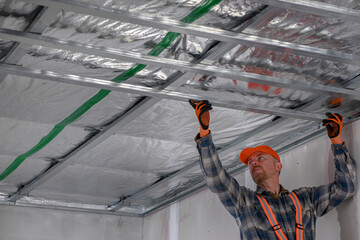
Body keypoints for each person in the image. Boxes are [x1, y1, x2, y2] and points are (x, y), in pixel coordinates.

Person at [189, 100, 356, 240]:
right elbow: (217, 181)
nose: (253, 163)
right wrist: (204, 133)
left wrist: (336, 140)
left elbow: (345, 187)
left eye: (260, 158)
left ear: (278, 165)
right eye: (250, 163)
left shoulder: (305, 199)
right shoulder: (244, 202)